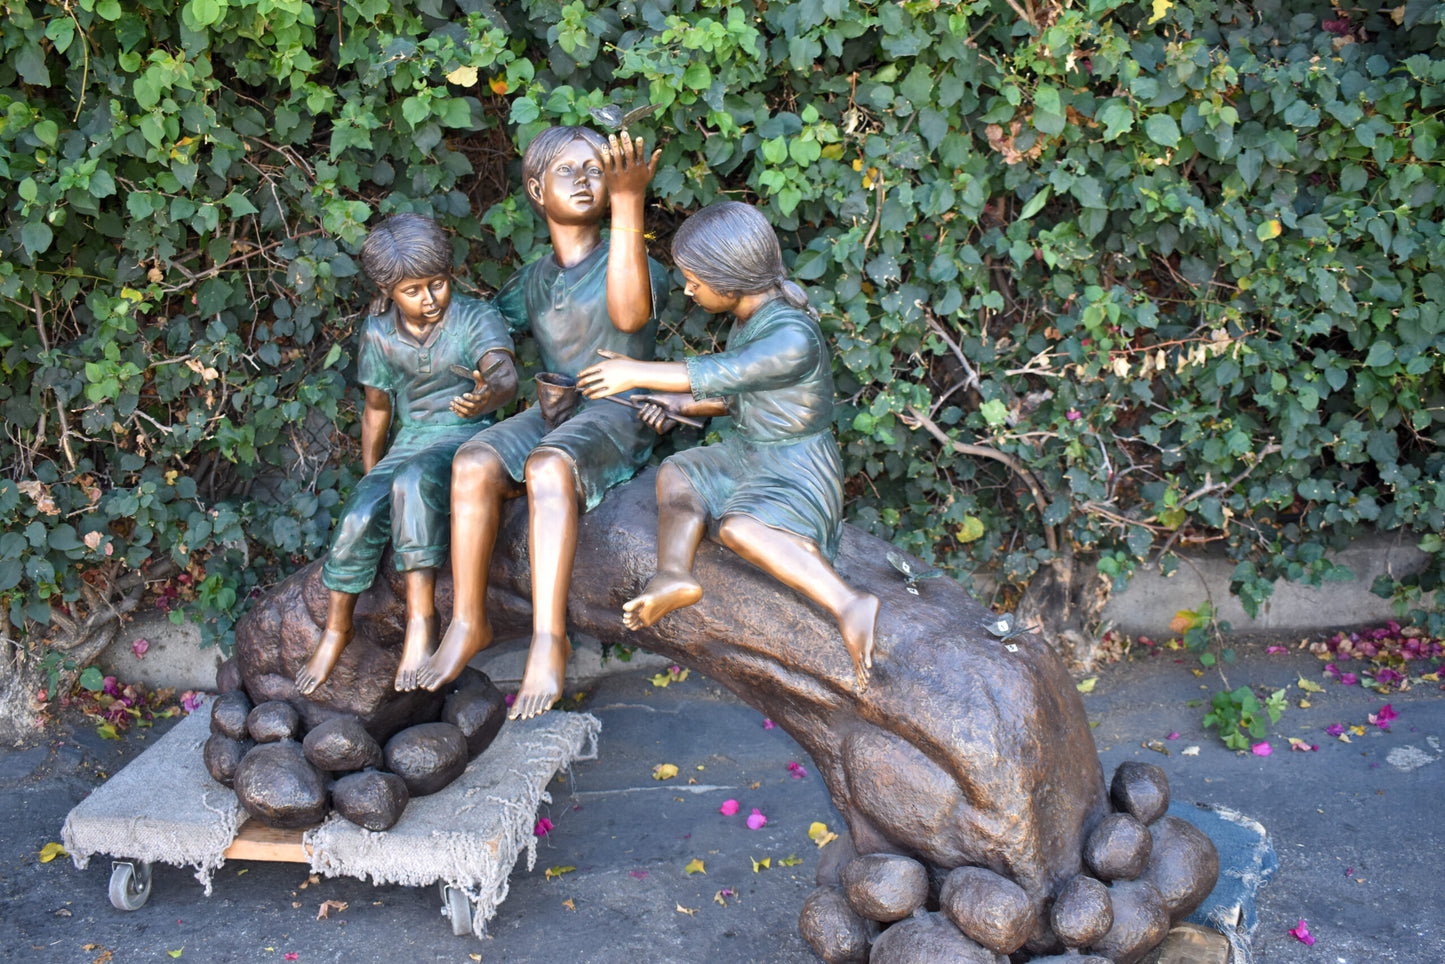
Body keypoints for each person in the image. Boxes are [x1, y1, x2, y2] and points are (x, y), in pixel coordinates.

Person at [576, 201, 880, 692]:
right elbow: (735, 395)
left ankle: (849, 602)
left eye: (695, 280)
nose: (688, 288)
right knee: (678, 473)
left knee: (739, 528)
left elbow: (726, 374)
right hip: (750, 451)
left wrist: (634, 372)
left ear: (732, 279)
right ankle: (673, 574)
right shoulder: (750, 318)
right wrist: (675, 404)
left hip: (796, 466)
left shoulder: (792, 335)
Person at [418, 125, 668, 718]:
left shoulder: (631, 259)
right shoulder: (533, 278)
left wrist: (631, 203)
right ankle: (468, 621)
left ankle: (550, 638)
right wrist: (489, 365)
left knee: (549, 465)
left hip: (621, 406)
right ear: (535, 188)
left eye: (596, 170)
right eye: (568, 171)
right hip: (559, 406)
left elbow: (630, 316)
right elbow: (481, 326)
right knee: (474, 460)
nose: (586, 181)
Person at [296, 213, 517, 695]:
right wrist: (370, 477)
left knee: (413, 483)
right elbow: (377, 410)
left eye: (437, 284)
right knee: (357, 514)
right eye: (413, 290)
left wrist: (489, 393)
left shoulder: (475, 317)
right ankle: (337, 627)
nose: (430, 298)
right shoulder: (377, 333)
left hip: (466, 437)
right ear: (386, 289)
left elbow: (502, 373)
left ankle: (422, 622)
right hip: (410, 438)